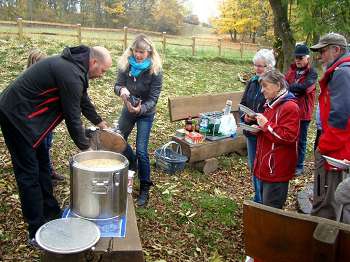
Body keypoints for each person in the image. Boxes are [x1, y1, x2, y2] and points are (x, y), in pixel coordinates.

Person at [0, 45, 112, 244]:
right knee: (29, 174)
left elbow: (82, 100)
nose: (102, 75)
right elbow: (72, 115)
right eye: (103, 70)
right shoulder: (70, 73)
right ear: (93, 62)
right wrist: (86, 148)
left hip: (32, 120)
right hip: (16, 116)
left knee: (43, 167)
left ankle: (51, 212)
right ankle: (35, 229)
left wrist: (101, 123)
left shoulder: (75, 70)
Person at [114, 34, 162, 207]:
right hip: (128, 110)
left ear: (149, 52)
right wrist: (122, 91)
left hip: (145, 113)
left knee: (142, 150)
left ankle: (144, 187)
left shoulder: (154, 70)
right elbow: (117, 85)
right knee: (117, 141)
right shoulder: (126, 65)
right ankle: (128, 165)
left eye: (142, 52)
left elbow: (154, 98)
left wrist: (140, 109)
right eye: (136, 51)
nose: (138, 55)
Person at [309, 33, 350, 221]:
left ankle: (323, 241)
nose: (320, 56)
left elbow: (341, 117)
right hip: (338, 146)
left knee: (326, 198)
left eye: (323, 51)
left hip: (334, 149)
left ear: (337, 50)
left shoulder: (342, 73)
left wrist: (324, 146)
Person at [253, 70, 300, 209]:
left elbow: (289, 136)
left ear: (278, 85)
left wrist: (266, 125)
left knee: (272, 210)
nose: (262, 91)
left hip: (277, 168)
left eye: (265, 86)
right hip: (267, 166)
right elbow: (271, 130)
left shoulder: (290, 107)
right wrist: (258, 127)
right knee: (266, 206)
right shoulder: (271, 104)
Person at [239, 49, 275, 203]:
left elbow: (276, 109)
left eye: (262, 66)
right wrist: (245, 116)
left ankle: (264, 201)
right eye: (256, 65)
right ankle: (258, 198)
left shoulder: (275, 85)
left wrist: (263, 121)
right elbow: (243, 103)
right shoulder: (252, 82)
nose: (258, 69)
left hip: (265, 134)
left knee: (264, 168)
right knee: (253, 167)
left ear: (270, 66)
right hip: (251, 132)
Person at [27, 49, 65, 184]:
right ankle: (42, 175)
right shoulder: (29, 82)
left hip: (47, 121)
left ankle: (48, 170)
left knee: (47, 145)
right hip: (36, 123)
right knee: (40, 148)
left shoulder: (48, 79)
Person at [285, 44, 318, 176]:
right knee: (289, 138)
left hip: (303, 113)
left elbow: (305, 88)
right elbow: (284, 85)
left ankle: (299, 166)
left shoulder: (312, 73)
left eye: (301, 57)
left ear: (307, 58)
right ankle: (290, 163)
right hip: (290, 111)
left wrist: (291, 87)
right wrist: (294, 87)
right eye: (296, 57)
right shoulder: (291, 70)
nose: (298, 60)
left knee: (301, 140)